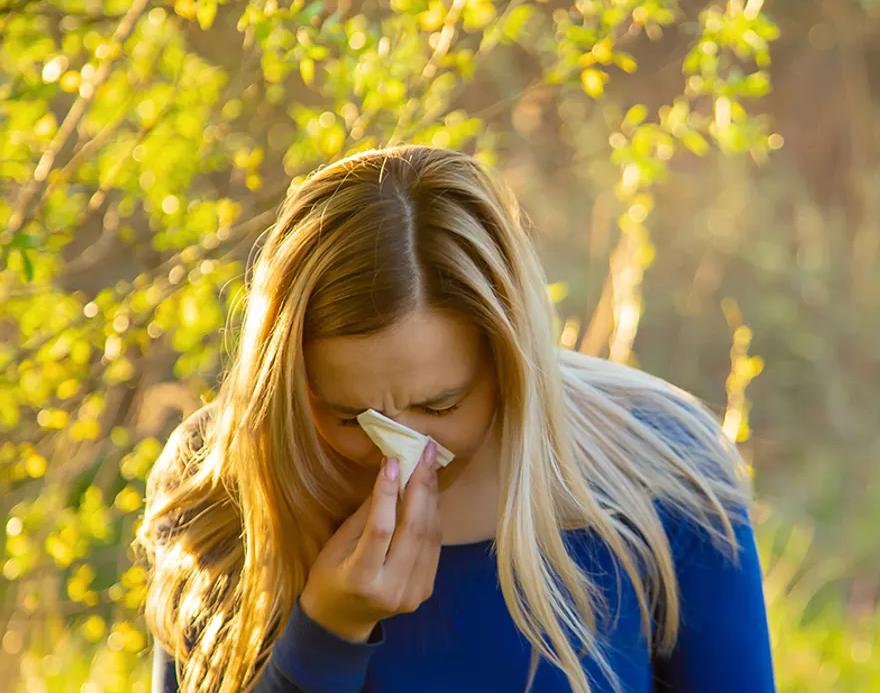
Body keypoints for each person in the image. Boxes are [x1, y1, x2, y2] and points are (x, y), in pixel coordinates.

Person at [134, 145, 775, 693]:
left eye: (440, 406)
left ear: (510, 365)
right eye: (348, 415)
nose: (400, 451)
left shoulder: (660, 466)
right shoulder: (217, 483)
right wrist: (326, 636)